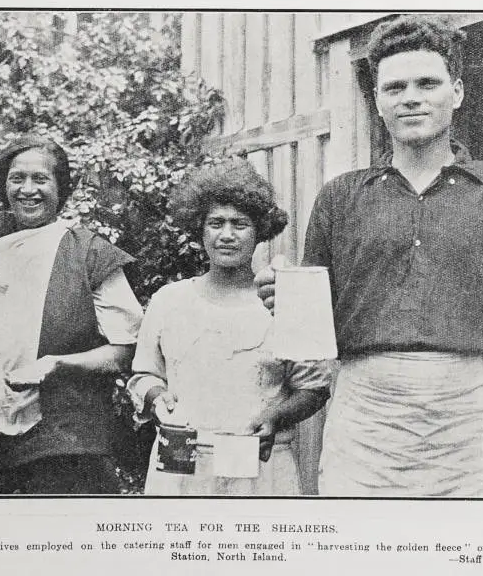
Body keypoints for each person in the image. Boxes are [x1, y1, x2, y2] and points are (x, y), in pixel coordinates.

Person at [256, 15, 483, 497]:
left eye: (427, 83)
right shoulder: (340, 197)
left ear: (456, 92)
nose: (410, 97)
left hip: (469, 416)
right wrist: (281, 296)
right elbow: (311, 324)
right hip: (366, 420)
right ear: (378, 101)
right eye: (394, 87)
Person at [0, 135, 143, 494]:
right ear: (3, 186)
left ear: (61, 187)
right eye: (17, 178)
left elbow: (126, 351)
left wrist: (57, 364)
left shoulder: (87, 252)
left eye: (41, 179)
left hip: (64, 446)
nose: (28, 189)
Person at [128, 159, 332, 496]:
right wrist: (156, 396)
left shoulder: (283, 301)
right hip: (181, 456)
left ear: (260, 231)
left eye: (240, 224)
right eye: (216, 223)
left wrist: (275, 416)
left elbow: (314, 389)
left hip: (256, 460)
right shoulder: (169, 301)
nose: (226, 235)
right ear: (199, 230)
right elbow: (144, 375)